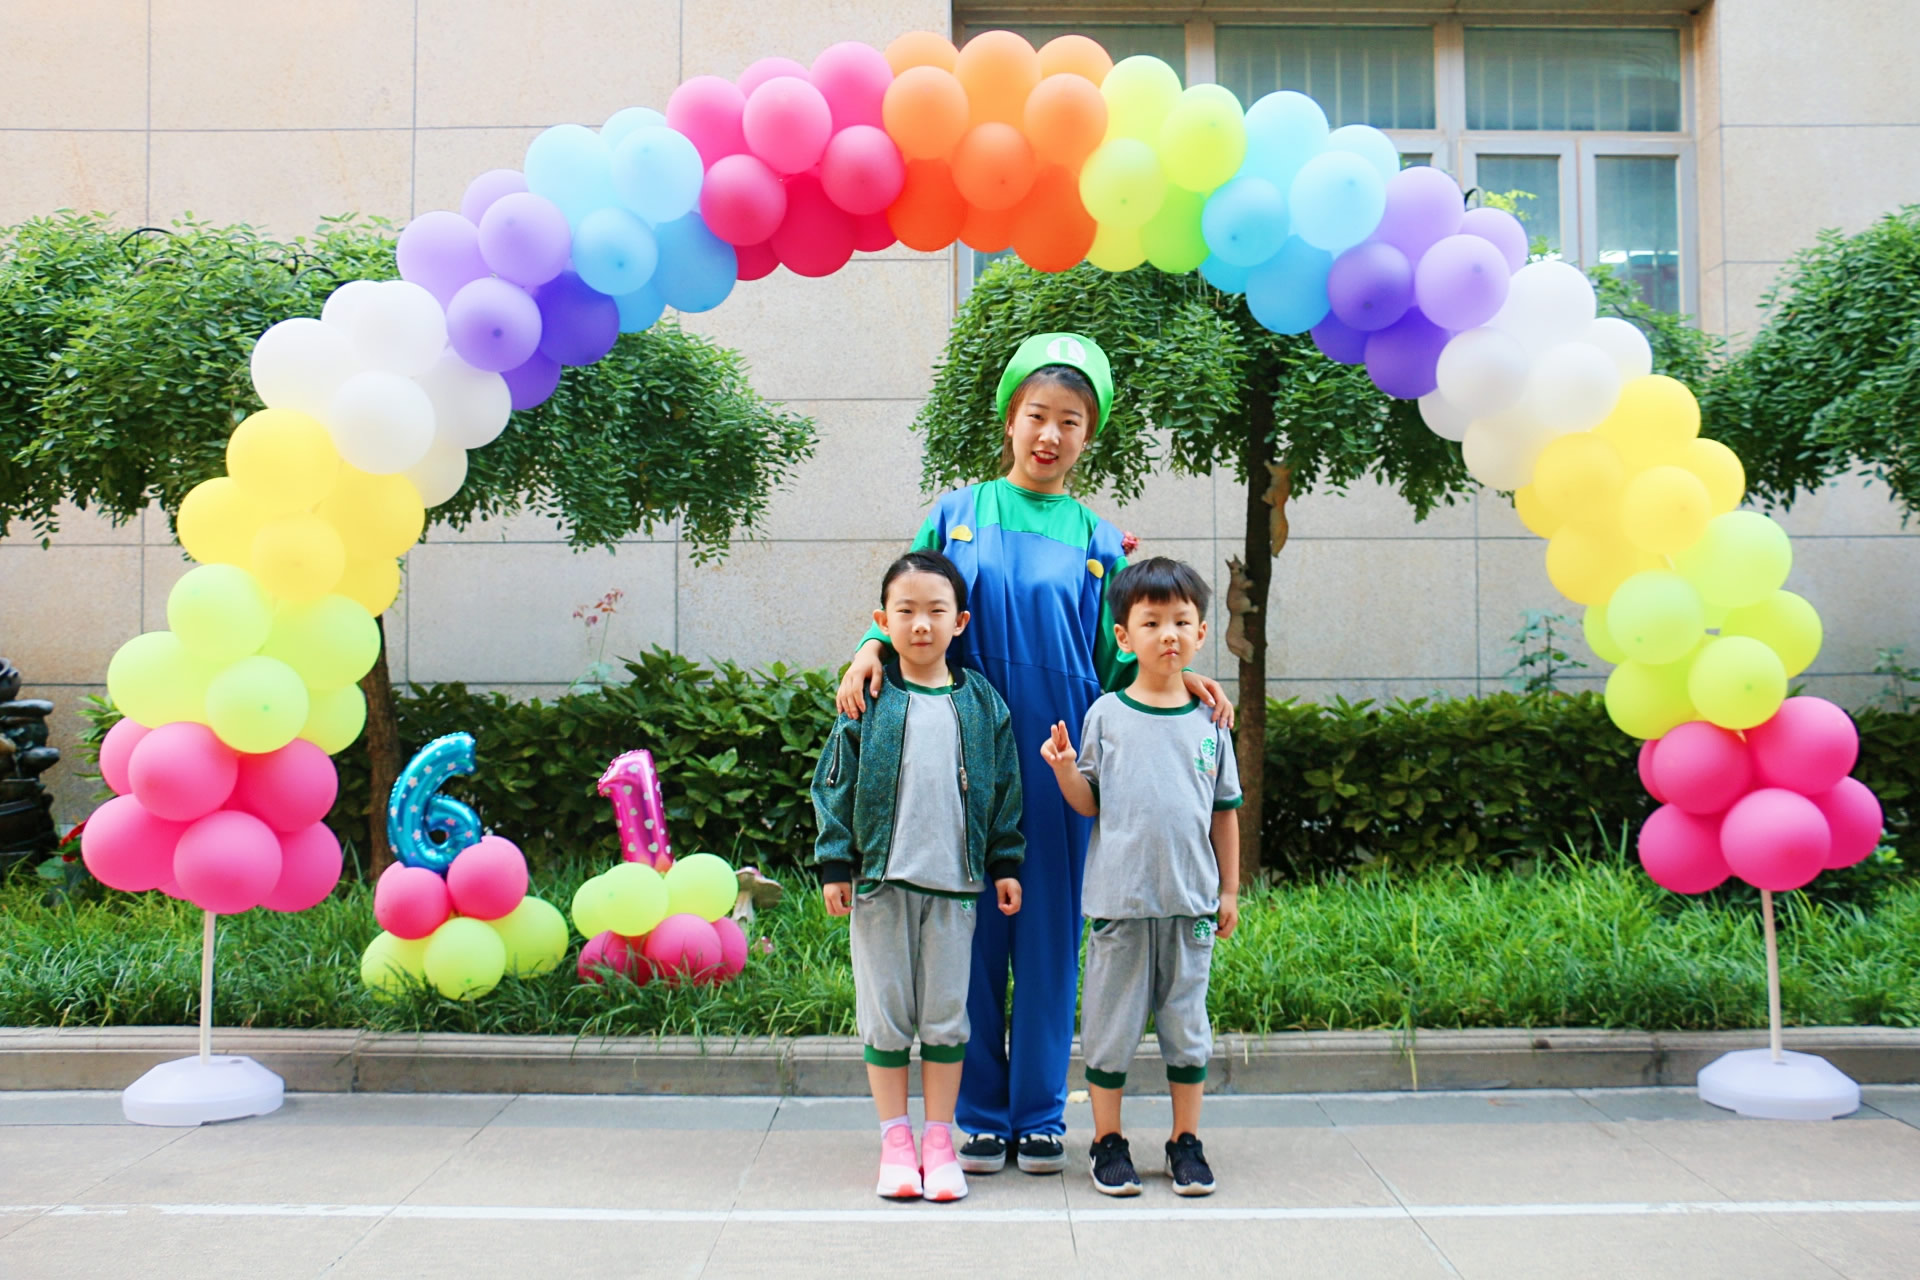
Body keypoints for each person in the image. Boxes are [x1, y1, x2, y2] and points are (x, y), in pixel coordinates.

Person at [835, 334, 1233, 1176]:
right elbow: (915, 603)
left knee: (1051, 932)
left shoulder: (1100, 536)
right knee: (965, 924)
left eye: (1071, 422)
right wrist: (870, 647)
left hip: (1061, 754)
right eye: (1037, 416)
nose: (1051, 434)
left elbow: (1127, 651)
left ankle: (1042, 1111)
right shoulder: (956, 513)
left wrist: (1187, 681)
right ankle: (975, 1113)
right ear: (1010, 420)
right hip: (961, 750)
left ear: (1090, 436)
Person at [813, 550, 1026, 1202]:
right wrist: (836, 862)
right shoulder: (869, 697)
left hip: (955, 887)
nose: (922, 624)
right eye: (906, 611)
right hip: (880, 885)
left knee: (944, 1018)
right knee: (884, 1016)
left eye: (936, 611)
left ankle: (939, 1140)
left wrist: (1005, 861)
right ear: (883, 620)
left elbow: (1006, 786)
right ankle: (895, 1141)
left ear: (960, 621)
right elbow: (835, 784)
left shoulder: (983, 703)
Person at [1040, 557, 1242, 1197]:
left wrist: (1229, 890)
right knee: (1109, 1030)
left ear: (1202, 633)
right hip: (1120, 907)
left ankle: (1187, 1142)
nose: (1168, 635)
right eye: (1151, 622)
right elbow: (1089, 802)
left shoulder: (1211, 721)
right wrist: (1066, 769)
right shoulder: (1106, 714)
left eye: (1182, 621)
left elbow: (1224, 812)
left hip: (1189, 907)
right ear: (1124, 636)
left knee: (1187, 1027)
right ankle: (1107, 1140)